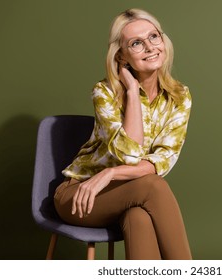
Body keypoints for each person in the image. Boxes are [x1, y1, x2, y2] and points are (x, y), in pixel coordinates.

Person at [53, 8, 192, 260]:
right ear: (122, 56)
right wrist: (131, 91)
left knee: (138, 217)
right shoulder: (104, 93)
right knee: (153, 187)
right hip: (81, 195)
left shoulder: (179, 96)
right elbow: (130, 155)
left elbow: (161, 162)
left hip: (130, 195)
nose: (150, 47)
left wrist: (111, 173)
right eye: (136, 43)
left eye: (154, 37)